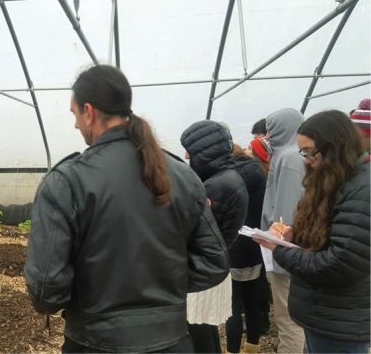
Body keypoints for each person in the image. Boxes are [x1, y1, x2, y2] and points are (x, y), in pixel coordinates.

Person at [24, 65, 229, 353]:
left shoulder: (67, 181)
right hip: (172, 343)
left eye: (74, 114)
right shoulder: (182, 175)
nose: (75, 125)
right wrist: (162, 287)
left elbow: (45, 289)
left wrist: (91, 298)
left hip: (95, 344)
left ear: (89, 111)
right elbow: (214, 262)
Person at [255, 110, 370, 353]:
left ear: (335, 148)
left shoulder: (362, 191)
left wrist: (280, 250)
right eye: (303, 152)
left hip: (341, 320)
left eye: (310, 152)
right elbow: (331, 231)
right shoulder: (337, 180)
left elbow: (340, 264)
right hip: (326, 313)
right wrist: (293, 235)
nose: (306, 159)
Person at [181, 121, 248, 353]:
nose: (186, 155)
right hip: (214, 263)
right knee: (204, 327)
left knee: (198, 331)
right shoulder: (227, 177)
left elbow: (196, 229)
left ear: (204, 151)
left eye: (190, 150)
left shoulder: (217, 186)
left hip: (205, 266)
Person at [260, 108, 305, 353]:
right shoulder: (293, 154)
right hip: (290, 249)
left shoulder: (288, 158)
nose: (266, 134)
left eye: (270, 128)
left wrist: (280, 253)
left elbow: (285, 213)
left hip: (284, 249)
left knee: (288, 318)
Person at [226, 143, 268, 353]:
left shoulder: (231, 179)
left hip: (235, 248)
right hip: (255, 244)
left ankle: (232, 350)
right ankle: (252, 346)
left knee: (233, 306)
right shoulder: (259, 172)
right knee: (251, 300)